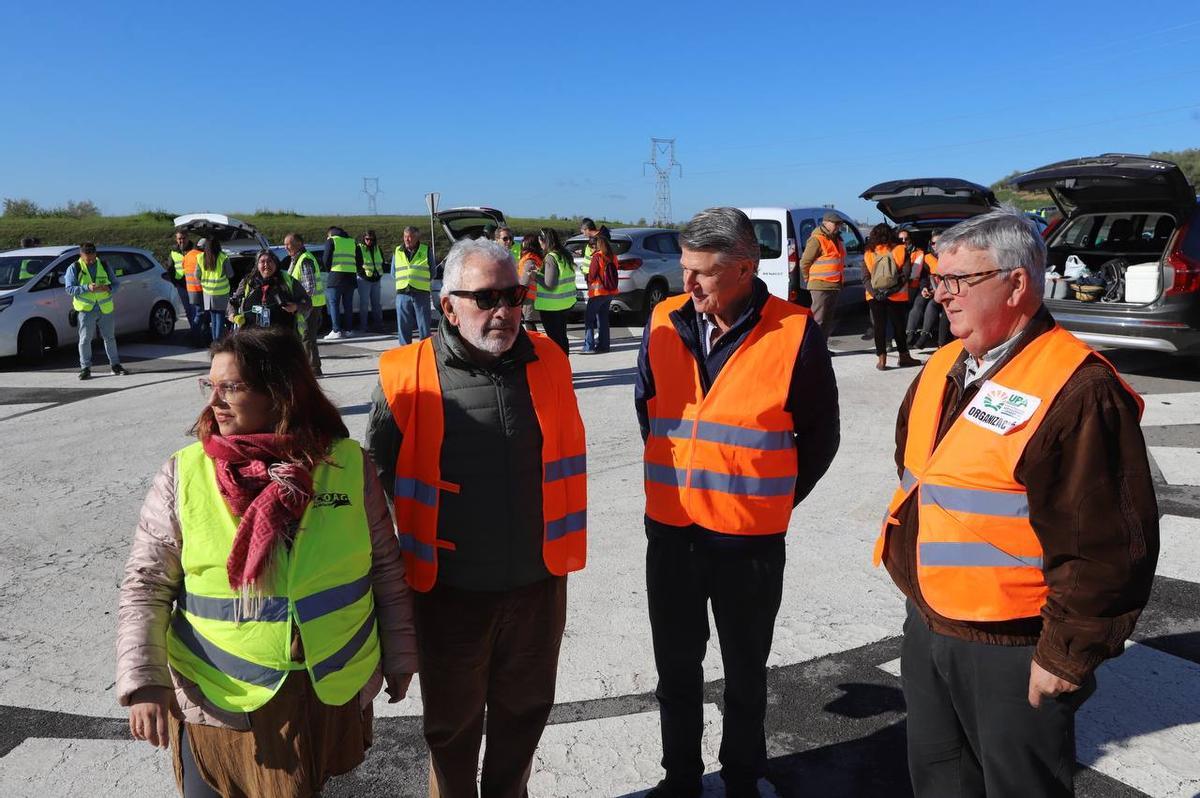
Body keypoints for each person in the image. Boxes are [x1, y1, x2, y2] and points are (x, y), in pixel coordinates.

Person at [875, 208, 1161, 797]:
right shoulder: (948, 365)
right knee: (939, 780)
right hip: (931, 620)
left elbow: (1106, 546)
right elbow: (919, 470)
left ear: (1017, 282)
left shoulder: (1078, 387)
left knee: (1019, 787)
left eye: (960, 282)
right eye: (938, 280)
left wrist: (1065, 654)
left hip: (1014, 642)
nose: (943, 297)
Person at [116, 326, 417, 798]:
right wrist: (144, 682)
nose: (214, 401)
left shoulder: (348, 465)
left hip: (326, 690)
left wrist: (401, 654)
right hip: (217, 696)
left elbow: (385, 571)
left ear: (279, 393)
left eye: (231, 387)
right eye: (209, 385)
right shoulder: (184, 472)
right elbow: (146, 586)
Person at [366, 237, 586, 798]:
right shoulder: (403, 374)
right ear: (448, 306)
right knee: (452, 729)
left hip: (537, 588)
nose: (505, 311)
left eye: (514, 296)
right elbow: (379, 479)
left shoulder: (550, 359)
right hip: (451, 595)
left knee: (525, 716)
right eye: (487, 298)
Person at [635, 208, 839, 798]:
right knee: (676, 668)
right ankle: (681, 780)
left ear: (746, 268)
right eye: (685, 269)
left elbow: (820, 436)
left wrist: (769, 501)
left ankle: (744, 778)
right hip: (671, 532)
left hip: (748, 540)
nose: (689, 284)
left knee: (745, 669)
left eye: (704, 272)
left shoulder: (795, 332)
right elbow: (649, 412)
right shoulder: (663, 322)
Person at [65, 242, 128, 380]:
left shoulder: (104, 265)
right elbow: (69, 289)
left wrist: (109, 288)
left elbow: (116, 284)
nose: (91, 261)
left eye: (93, 258)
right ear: (81, 255)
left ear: (96, 254)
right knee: (85, 339)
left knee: (110, 338)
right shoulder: (74, 268)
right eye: (88, 259)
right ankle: (85, 368)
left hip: (105, 308)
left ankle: (115, 365)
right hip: (86, 310)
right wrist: (87, 287)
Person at [864, 223, 920, 370]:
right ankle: (904, 357)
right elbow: (905, 275)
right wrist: (891, 291)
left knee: (879, 327)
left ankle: (882, 360)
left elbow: (865, 277)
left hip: (874, 296)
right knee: (899, 327)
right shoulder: (900, 250)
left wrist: (876, 293)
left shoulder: (869, 252)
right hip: (897, 296)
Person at [228, 249, 311, 333]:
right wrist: (233, 315)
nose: (266, 265)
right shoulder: (248, 282)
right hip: (252, 337)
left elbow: (307, 303)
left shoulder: (288, 281)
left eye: (270, 261)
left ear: (276, 263)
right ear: (257, 265)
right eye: (262, 262)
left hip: (282, 336)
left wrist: (296, 306)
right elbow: (233, 301)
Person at [283, 233, 326, 376]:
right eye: (285, 244)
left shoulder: (305, 260)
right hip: (304, 305)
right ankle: (308, 367)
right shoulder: (296, 259)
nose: (286, 247)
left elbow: (310, 288)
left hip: (309, 305)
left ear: (299, 244)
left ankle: (314, 369)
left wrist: (298, 303)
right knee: (303, 337)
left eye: (288, 244)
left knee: (307, 337)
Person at [798, 211, 846, 337]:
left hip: (834, 285)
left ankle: (822, 349)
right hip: (820, 286)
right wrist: (808, 280)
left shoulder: (837, 239)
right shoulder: (817, 239)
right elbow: (804, 262)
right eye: (835, 223)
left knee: (828, 321)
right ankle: (812, 351)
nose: (838, 226)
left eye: (839, 224)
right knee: (817, 321)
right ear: (825, 223)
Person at [533, 227, 576, 355]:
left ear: (542, 241)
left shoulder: (551, 257)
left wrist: (535, 275)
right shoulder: (564, 255)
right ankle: (565, 368)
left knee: (555, 340)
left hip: (551, 306)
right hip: (565, 303)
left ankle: (559, 370)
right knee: (562, 337)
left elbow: (549, 284)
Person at [393, 225, 434, 345]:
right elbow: (393, 272)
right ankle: (405, 350)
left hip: (420, 293)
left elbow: (433, 271)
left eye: (410, 237)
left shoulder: (426, 250)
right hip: (402, 294)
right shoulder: (397, 251)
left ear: (417, 237)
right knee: (403, 326)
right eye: (405, 236)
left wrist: (419, 280)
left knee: (424, 326)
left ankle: (425, 350)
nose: (407, 239)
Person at [582, 229, 618, 353]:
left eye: (592, 246)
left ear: (597, 246)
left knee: (589, 319)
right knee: (603, 319)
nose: (591, 249)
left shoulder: (597, 257)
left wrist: (586, 277)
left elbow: (591, 275)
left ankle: (589, 346)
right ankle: (604, 345)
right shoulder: (613, 257)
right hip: (610, 292)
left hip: (597, 292)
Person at [322, 226, 361, 340]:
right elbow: (360, 260)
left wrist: (329, 269)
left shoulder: (332, 240)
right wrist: (353, 269)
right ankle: (349, 330)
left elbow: (326, 258)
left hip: (336, 277)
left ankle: (336, 330)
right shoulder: (352, 242)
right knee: (348, 305)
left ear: (330, 234)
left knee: (334, 305)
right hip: (350, 277)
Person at [197, 237, 234, 343]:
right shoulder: (223, 257)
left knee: (213, 318)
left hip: (207, 293)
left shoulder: (200, 257)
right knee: (220, 318)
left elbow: (197, 275)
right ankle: (217, 343)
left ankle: (214, 341)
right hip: (221, 292)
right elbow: (231, 274)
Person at [168, 230, 198, 336]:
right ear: (176, 239)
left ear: (188, 237)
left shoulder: (195, 250)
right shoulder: (173, 252)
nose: (182, 240)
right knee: (188, 310)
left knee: (195, 309)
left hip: (194, 285)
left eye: (183, 238)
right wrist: (174, 282)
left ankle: (196, 331)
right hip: (181, 285)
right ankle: (193, 330)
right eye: (179, 238)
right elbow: (170, 269)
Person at [357, 229, 387, 332]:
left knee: (376, 304)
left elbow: (382, 262)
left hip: (376, 279)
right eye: (367, 239)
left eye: (371, 239)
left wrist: (379, 274)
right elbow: (357, 265)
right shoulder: (359, 248)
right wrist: (363, 275)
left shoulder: (377, 248)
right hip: (364, 280)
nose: (369, 241)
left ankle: (378, 325)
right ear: (364, 239)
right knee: (364, 304)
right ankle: (363, 326)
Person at [516, 233, 544, 332]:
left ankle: (534, 345)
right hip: (532, 294)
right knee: (529, 322)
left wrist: (518, 293)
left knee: (529, 322)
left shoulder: (529, 260)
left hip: (528, 295)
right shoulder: (536, 258)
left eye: (524, 241)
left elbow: (525, 280)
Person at [183, 238, 206, 343]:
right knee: (200, 313)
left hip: (190, 289)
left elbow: (184, 270)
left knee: (197, 313)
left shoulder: (188, 255)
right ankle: (194, 337)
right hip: (199, 289)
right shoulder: (201, 256)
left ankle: (197, 335)